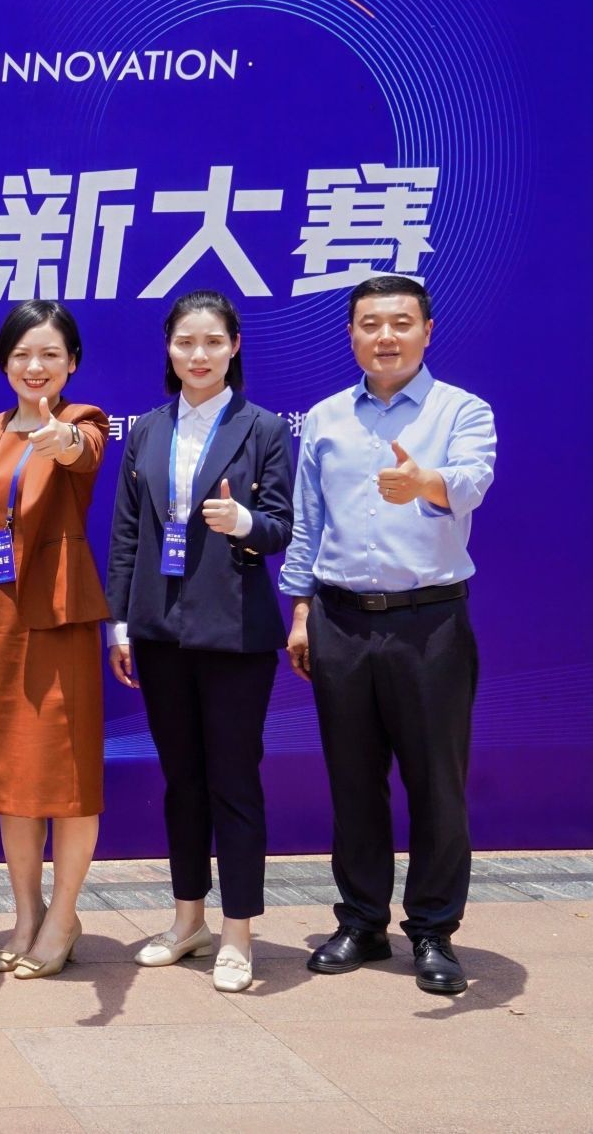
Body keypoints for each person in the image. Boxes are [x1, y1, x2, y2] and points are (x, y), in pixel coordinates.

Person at [282, 275, 495, 996]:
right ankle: (362, 921)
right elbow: (308, 523)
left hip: (429, 623)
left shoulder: (461, 410)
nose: (386, 336)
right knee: (353, 779)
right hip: (339, 620)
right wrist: (302, 613)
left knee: (437, 783)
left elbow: (471, 481)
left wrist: (425, 482)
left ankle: (433, 930)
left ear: (427, 331)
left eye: (401, 322)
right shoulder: (326, 418)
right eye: (370, 323)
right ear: (351, 334)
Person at [105, 292, 294, 993]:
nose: (199, 354)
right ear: (169, 348)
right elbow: (127, 532)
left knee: (233, 782)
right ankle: (189, 920)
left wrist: (243, 521)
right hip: (159, 630)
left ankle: (238, 933)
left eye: (213, 341)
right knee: (182, 781)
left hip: (234, 631)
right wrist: (121, 622)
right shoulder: (148, 430)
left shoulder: (262, 427)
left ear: (234, 347)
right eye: (186, 342)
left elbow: (281, 526)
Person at [0, 299, 109, 981]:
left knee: (67, 779)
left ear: (71, 363)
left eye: (49, 354)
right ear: (4, 363)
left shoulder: (83, 420)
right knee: (12, 779)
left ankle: (64, 917)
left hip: (59, 619)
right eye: (22, 355)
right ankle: (26, 913)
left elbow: (81, 453)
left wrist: (58, 438)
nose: (35, 366)